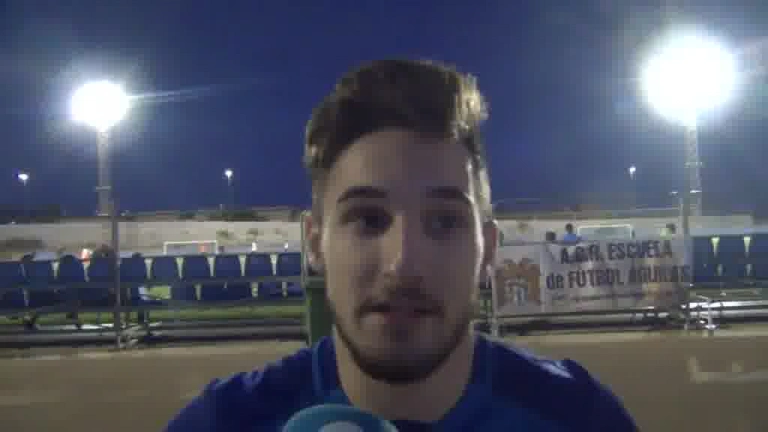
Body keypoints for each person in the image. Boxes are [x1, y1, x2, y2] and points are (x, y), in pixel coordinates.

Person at [166, 59, 637, 431]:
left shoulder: (582, 418)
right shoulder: (222, 422)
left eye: (445, 222)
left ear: (488, 250)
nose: (404, 262)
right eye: (368, 220)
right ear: (316, 244)